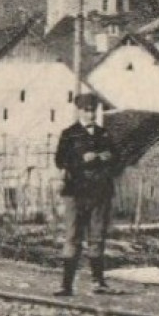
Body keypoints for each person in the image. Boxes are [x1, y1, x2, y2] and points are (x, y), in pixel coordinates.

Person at [53, 93, 119, 296]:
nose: (90, 114)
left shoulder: (104, 134)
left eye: (93, 110)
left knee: (97, 237)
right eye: (86, 110)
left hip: (100, 193)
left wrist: (108, 157)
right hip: (76, 192)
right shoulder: (69, 134)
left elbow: (117, 159)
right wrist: (82, 159)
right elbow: (60, 160)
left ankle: (98, 282)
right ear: (79, 111)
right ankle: (66, 285)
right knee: (73, 237)